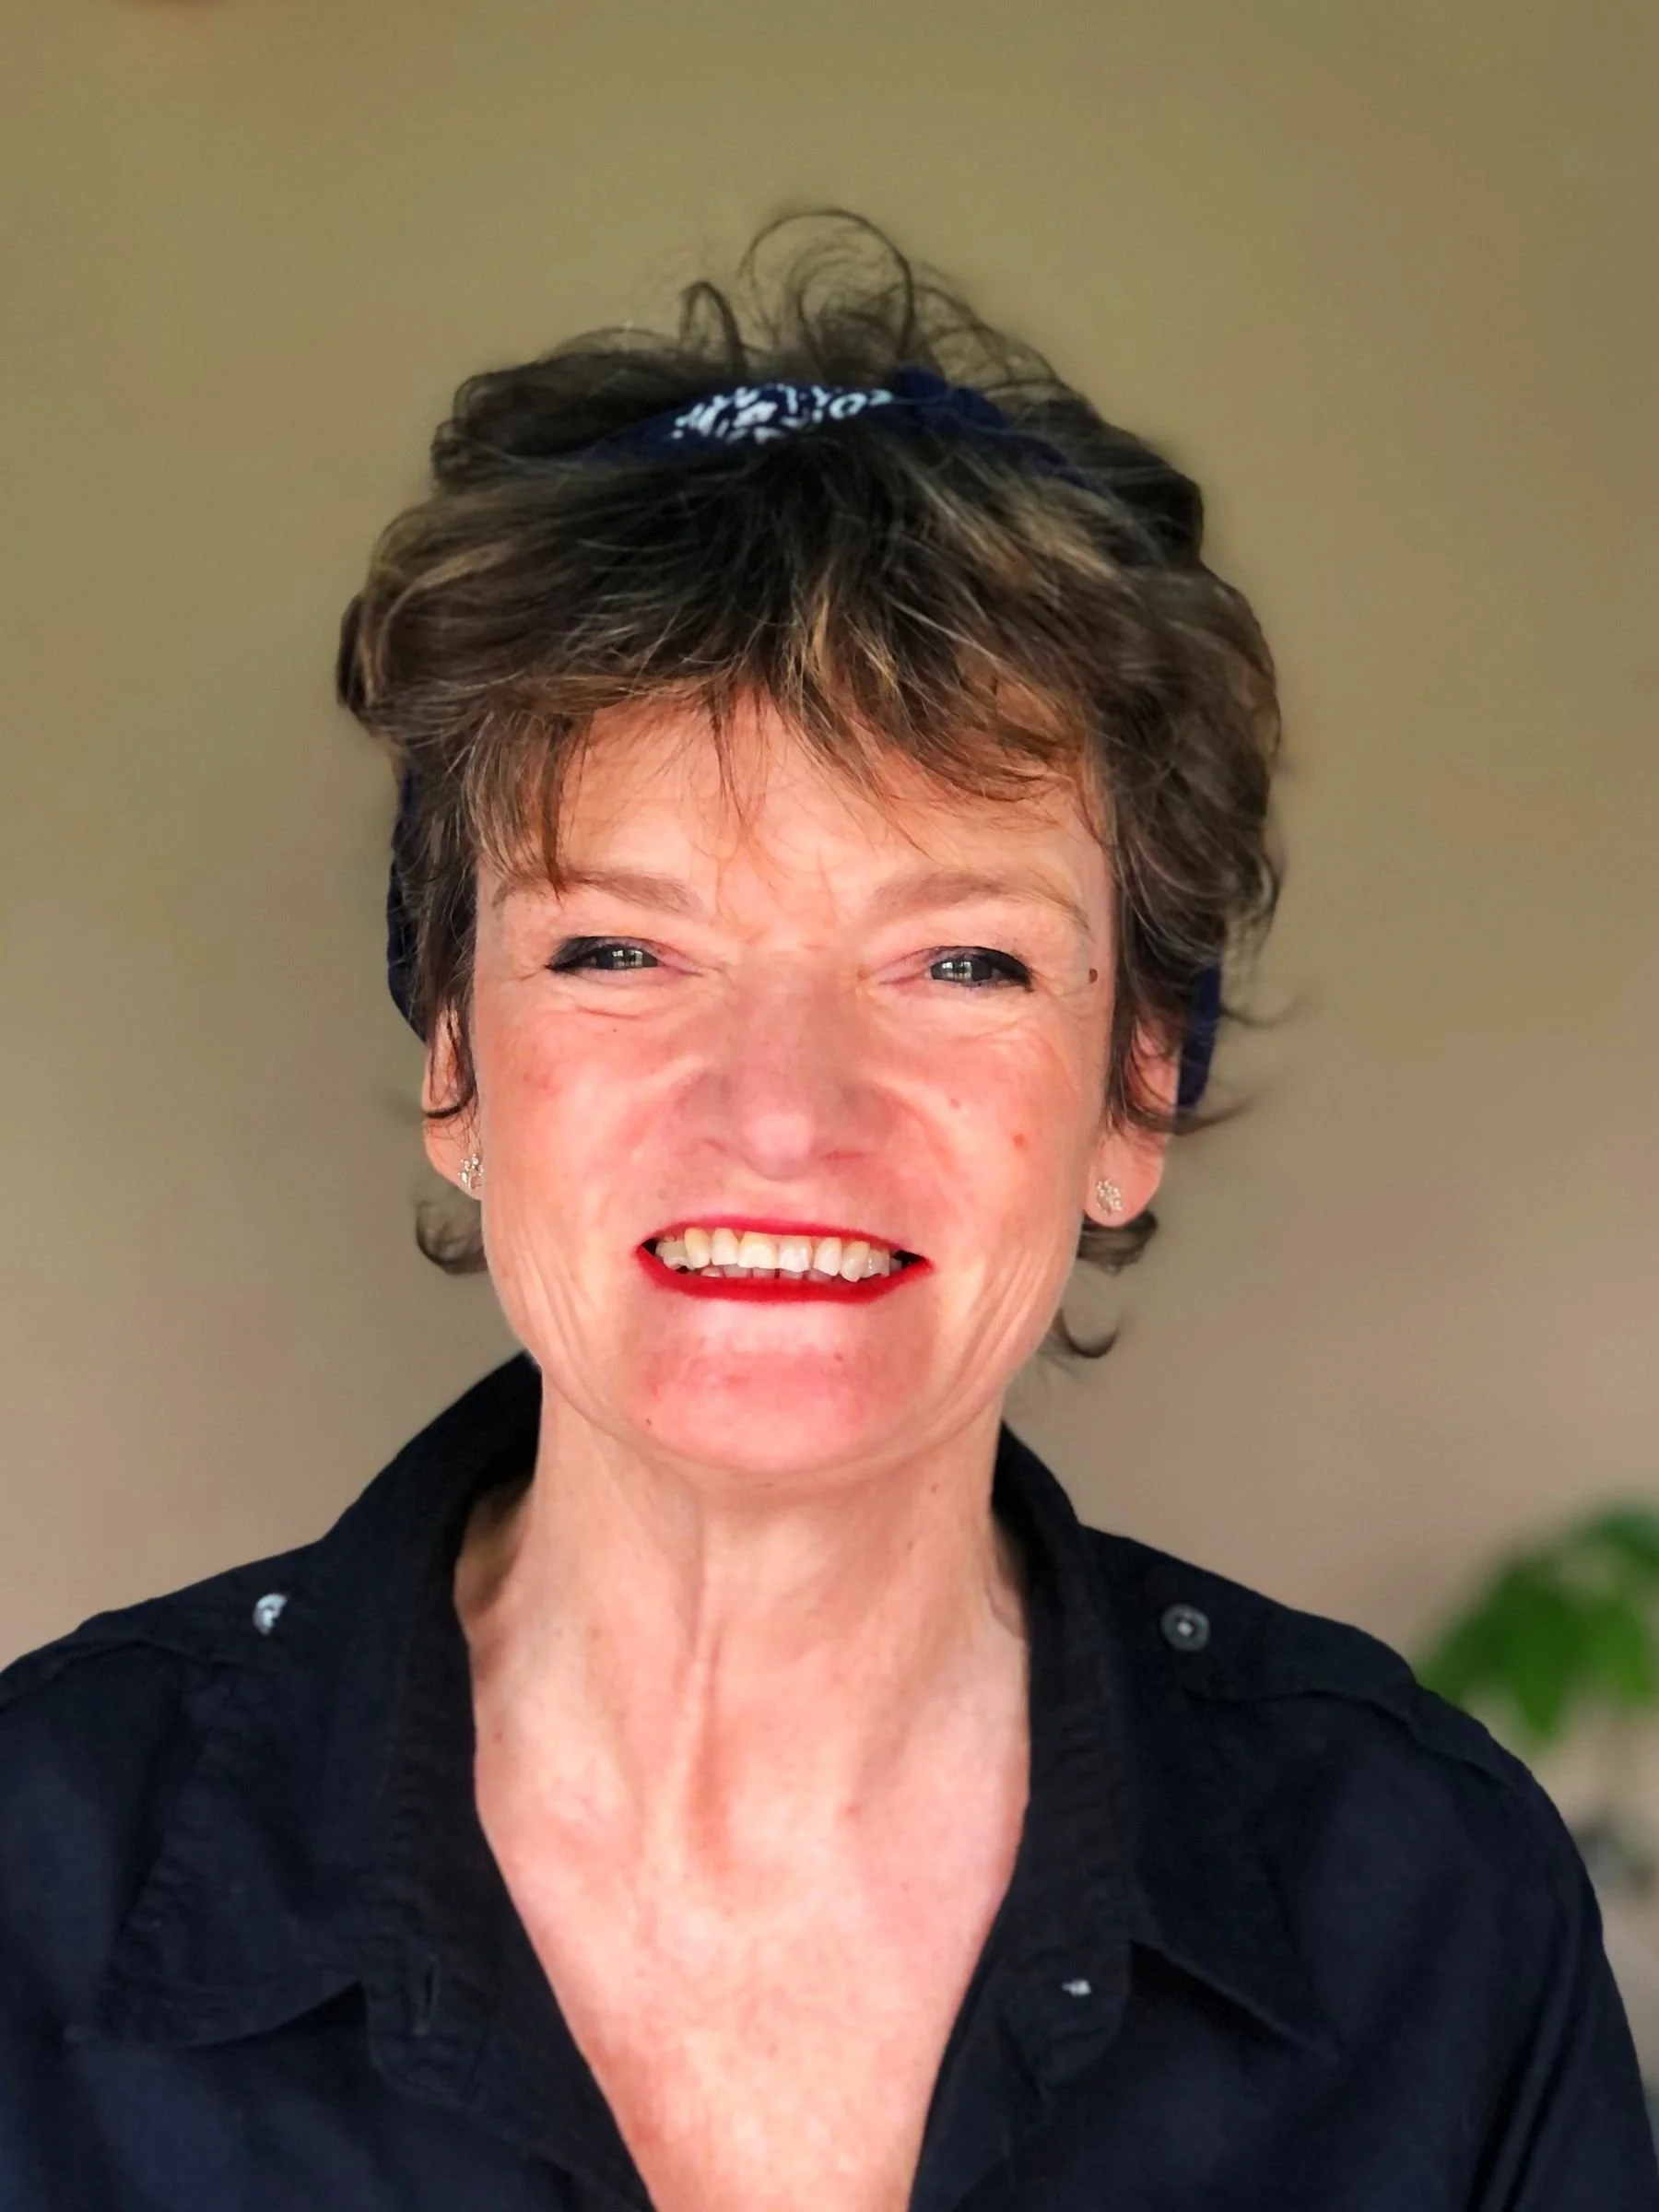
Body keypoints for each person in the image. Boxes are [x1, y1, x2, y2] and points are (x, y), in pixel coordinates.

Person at [2, 212, 1653, 2212]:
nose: (781, 1118)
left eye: (958, 962)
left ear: (1139, 1089)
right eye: (622, 951)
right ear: (454, 1057)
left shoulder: (1429, 1915)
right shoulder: (38, 1872)